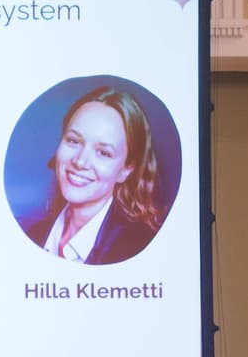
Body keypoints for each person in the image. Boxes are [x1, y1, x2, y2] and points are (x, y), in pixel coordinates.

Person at [21, 85, 165, 265]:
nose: (80, 162)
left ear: (126, 170)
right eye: (73, 141)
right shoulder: (32, 236)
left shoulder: (141, 250)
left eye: (103, 153)